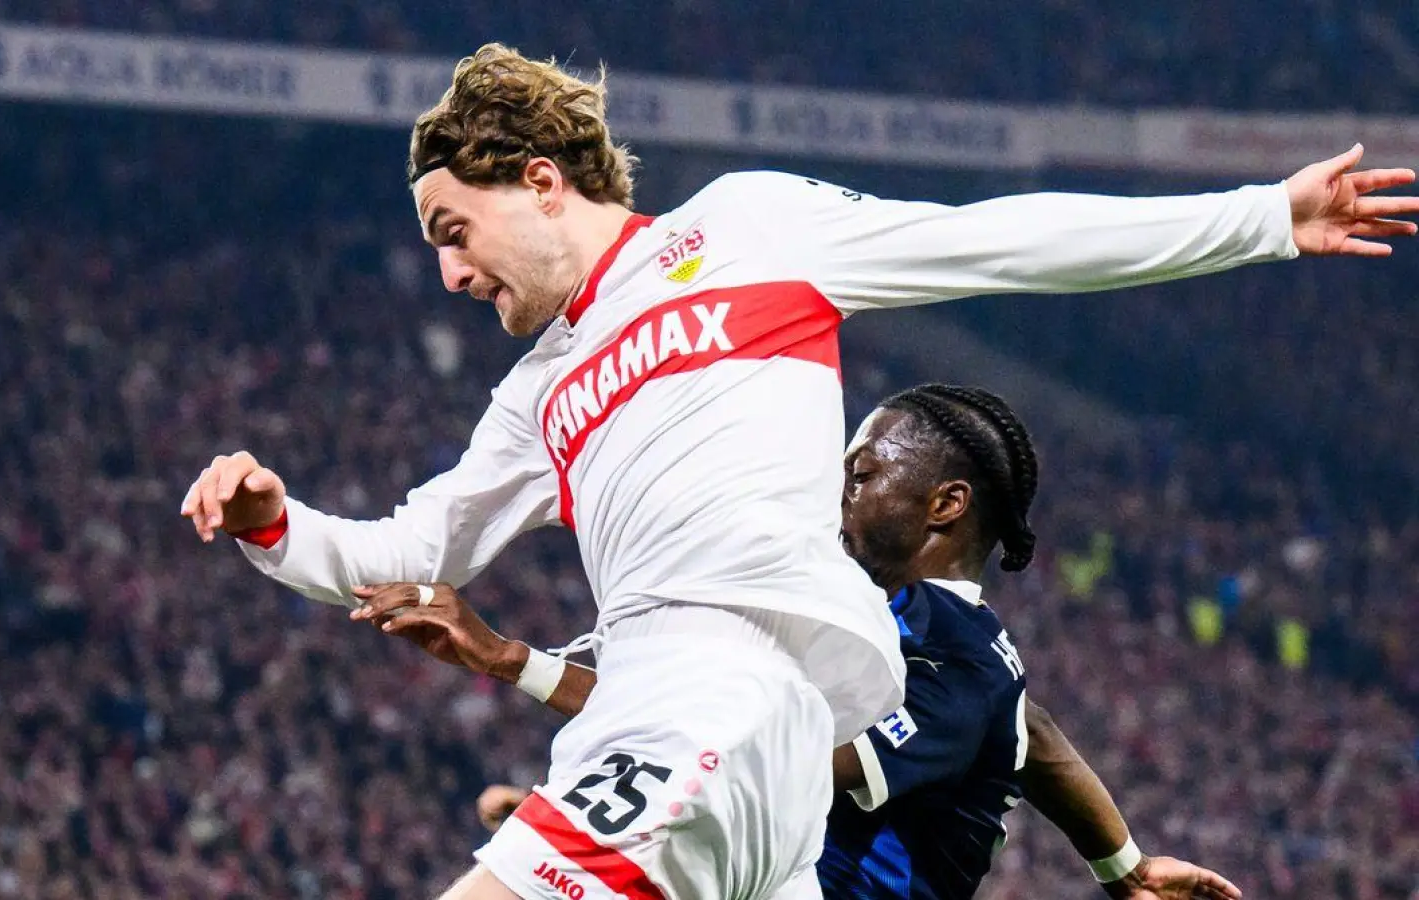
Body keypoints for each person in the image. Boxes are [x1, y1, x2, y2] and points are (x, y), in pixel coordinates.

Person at [180, 42, 1419, 900]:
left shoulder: (748, 226)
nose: (449, 273)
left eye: (455, 230)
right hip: (745, 764)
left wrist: (1260, 218)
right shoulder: (538, 390)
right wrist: (278, 523)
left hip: (721, 689)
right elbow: (409, 555)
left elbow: (995, 242)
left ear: (540, 181)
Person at [354, 384, 1242, 900]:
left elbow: (755, 756)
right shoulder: (888, 628)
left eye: (862, 473)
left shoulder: (953, 657)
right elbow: (1034, 735)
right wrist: (1121, 868)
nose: (838, 490)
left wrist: (620, 815)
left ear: (945, 505)